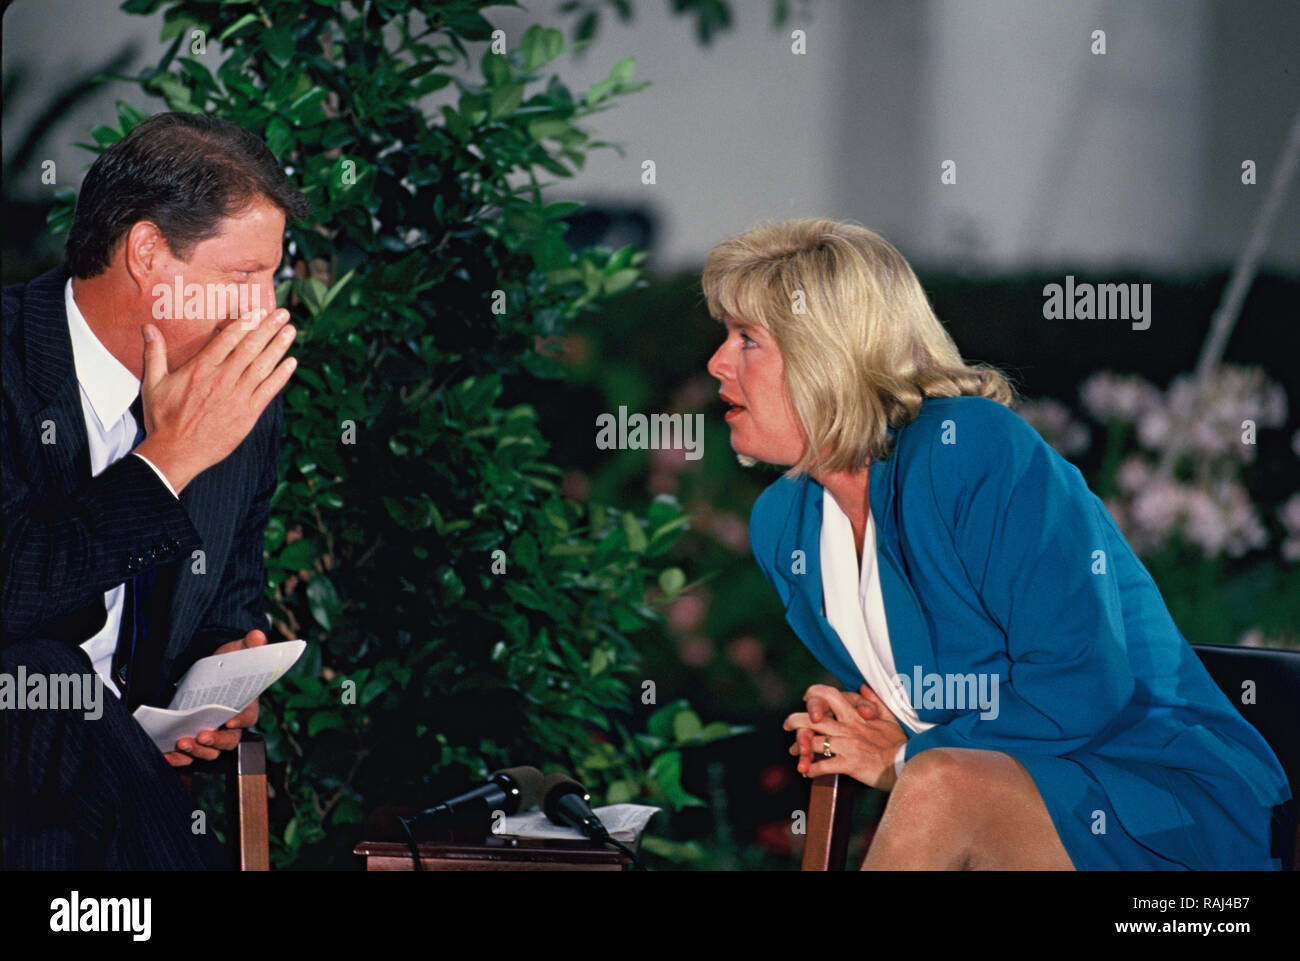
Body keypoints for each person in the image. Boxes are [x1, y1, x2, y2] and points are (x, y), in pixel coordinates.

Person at [704, 218, 1292, 870]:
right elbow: (936, 689)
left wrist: (904, 756)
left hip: (1156, 800)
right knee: (938, 785)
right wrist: (874, 716)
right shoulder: (783, 522)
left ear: (827, 353)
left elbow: (1081, 680)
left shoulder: (970, 449)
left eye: (747, 340)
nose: (717, 363)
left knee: (937, 788)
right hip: (1014, 802)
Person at [1, 112, 310, 868]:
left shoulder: (242, 402)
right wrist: (167, 460)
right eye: (243, 276)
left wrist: (225, 683)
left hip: (111, 805)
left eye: (273, 275)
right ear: (146, 253)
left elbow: (231, 602)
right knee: (43, 670)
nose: (267, 311)